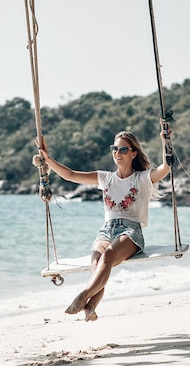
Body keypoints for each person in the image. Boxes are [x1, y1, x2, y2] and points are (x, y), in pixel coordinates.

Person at [36, 122, 172, 321]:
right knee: (97, 265)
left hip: (130, 232)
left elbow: (165, 168)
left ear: (134, 153)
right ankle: (90, 308)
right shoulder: (105, 178)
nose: (118, 152)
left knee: (107, 258)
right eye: (115, 148)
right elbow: (70, 175)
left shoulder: (142, 178)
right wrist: (47, 159)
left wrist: (165, 141)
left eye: (123, 149)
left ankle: (83, 295)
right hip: (106, 231)